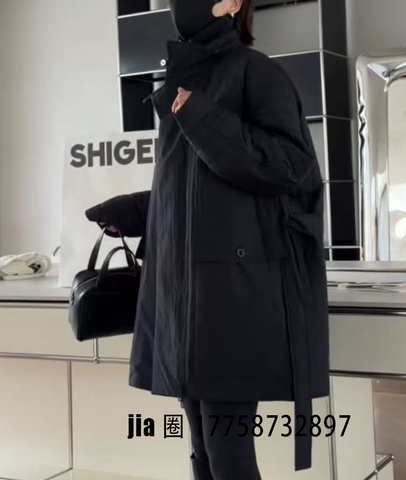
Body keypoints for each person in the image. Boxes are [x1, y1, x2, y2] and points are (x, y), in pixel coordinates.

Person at [85, 0, 330, 478]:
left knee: (227, 455)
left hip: (229, 296)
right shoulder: (185, 80)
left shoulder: (256, 73)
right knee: (201, 449)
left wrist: (202, 119)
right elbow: (197, 191)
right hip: (184, 296)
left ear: (233, 3)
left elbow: (293, 169)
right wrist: (136, 211)